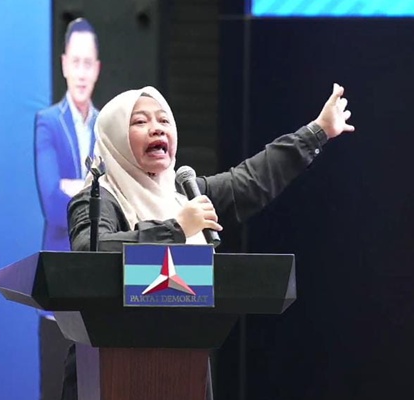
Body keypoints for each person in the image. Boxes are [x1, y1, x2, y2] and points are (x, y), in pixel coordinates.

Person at [60, 84, 355, 399]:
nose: (156, 128)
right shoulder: (96, 198)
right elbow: (90, 253)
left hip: (184, 367)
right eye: (140, 121)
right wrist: (175, 229)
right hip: (109, 369)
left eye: (164, 120)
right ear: (114, 136)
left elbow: (251, 180)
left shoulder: (185, 196)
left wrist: (318, 131)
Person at [34, 17, 101, 251]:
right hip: (59, 254)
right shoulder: (48, 122)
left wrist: (73, 187)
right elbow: (53, 206)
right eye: (75, 62)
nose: (81, 74)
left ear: (97, 69)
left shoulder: (105, 125)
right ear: (64, 65)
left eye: (87, 63)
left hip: (99, 254)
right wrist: (93, 195)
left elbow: (118, 200)